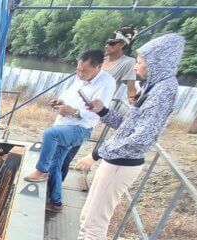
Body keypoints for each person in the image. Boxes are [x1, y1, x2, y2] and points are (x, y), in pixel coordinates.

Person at [43, 33, 185, 240]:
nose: (137, 66)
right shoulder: (153, 88)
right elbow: (128, 125)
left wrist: (97, 154)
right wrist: (103, 111)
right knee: (88, 213)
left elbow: (142, 138)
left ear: (158, 63)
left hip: (122, 164)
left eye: (141, 62)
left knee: (98, 217)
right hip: (115, 160)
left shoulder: (163, 92)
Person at [22, 50, 115, 212]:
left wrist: (74, 111)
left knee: (50, 134)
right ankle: (56, 202)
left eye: (84, 72)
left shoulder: (106, 83)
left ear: (99, 67)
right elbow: (70, 98)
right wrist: (60, 103)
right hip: (64, 124)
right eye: (78, 70)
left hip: (80, 129)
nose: (79, 74)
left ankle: (41, 170)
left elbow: (98, 113)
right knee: (56, 164)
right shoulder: (80, 78)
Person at [59, 26, 139, 193]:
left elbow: (131, 89)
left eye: (111, 43)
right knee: (57, 153)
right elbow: (77, 86)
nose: (107, 46)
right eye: (107, 42)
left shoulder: (127, 63)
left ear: (121, 45)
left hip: (89, 114)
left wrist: (135, 109)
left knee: (65, 155)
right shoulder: (97, 60)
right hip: (73, 111)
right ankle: (53, 189)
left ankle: (55, 193)